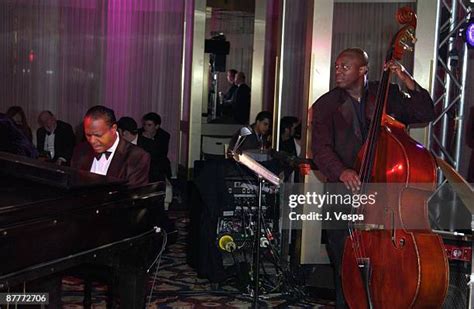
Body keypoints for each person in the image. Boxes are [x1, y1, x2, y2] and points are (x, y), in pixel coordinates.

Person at [311, 48, 435, 308]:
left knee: (385, 267)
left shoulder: (386, 94)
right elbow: (321, 149)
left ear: (363, 70)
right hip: (343, 195)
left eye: (345, 67)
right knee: (344, 266)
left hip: (383, 198)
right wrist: (342, 171)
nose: (338, 71)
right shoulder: (325, 105)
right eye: (337, 66)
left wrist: (406, 79)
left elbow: (425, 113)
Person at [71, 106, 150, 187]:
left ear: (113, 129)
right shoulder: (80, 150)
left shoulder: (137, 157)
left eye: (98, 135)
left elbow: (132, 196)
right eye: (88, 135)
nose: (92, 141)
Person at [117, 116, 170, 182]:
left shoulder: (150, 146)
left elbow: (156, 170)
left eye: (118, 132)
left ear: (125, 133)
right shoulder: (121, 144)